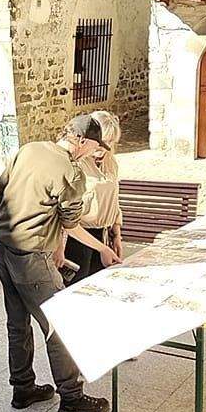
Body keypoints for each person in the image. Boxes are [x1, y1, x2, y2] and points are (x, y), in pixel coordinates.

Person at [0, 114, 116, 412]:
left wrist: (14, 222)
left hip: (2, 244)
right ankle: (72, 397)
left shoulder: (29, 149)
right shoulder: (71, 172)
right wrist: (97, 247)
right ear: (83, 142)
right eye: (94, 146)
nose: (93, 152)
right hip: (32, 253)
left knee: (17, 320)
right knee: (60, 323)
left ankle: (22, 387)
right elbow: (70, 221)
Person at [66, 111, 123, 284]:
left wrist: (117, 235)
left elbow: (115, 201)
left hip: (104, 234)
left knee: (100, 286)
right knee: (75, 288)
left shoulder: (110, 163)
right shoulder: (76, 163)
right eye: (103, 141)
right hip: (79, 236)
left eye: (111, 142)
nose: (104, 147)